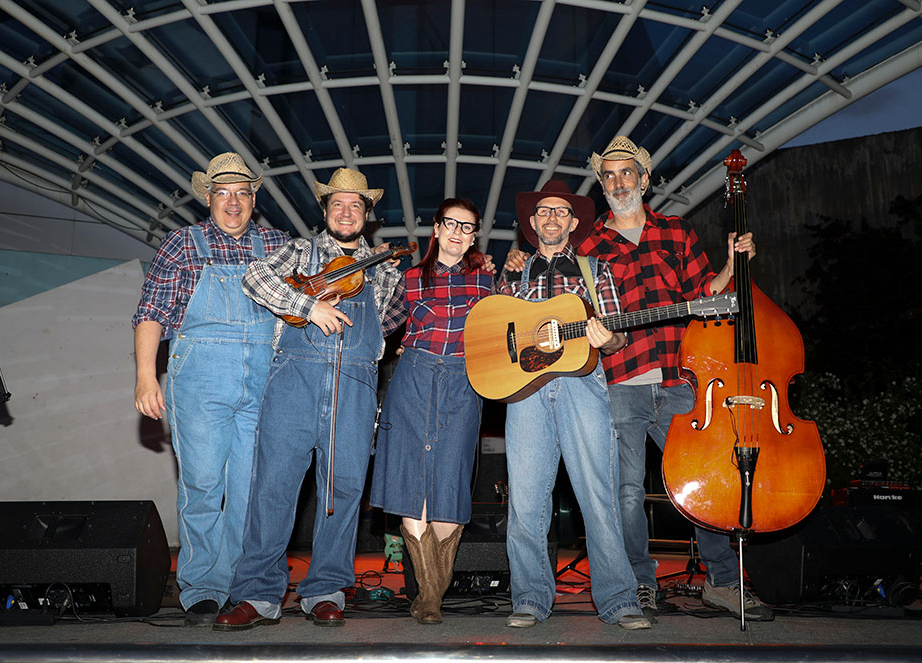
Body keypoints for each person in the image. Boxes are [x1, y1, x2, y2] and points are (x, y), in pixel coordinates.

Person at [577, 135, 766, 621]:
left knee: (705, 478)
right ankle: (638, 582)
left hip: (681, 380)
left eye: (627, 173)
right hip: (621, 380)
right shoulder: (589, 247)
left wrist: (732, 264)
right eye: (609, 175)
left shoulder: (677, 231)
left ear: (644, 179)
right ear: (602, 185)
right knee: (626, 491)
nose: (619, 182)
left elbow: (705, 294)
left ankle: (722, 582)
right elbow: (581, 315)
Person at [214, 167, 405, 631]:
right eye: (337, 204)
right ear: (324, 210)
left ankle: (325, 589)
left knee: (342, 492)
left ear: (367, 215)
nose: (346, 211)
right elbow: (254, 278)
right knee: (273, 488)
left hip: (356, 386)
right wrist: (308, 306)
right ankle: (257, 594)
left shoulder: (383, 269)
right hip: (294, 380)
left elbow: (389, 325)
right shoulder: (300, 251)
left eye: (355, 205)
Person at [132, 152, 287, 626]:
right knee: (202, 485)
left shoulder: (279, 245)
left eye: (242, 193)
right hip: (199, 375)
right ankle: (201, 586)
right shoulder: (183, 243)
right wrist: (144, 376)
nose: (233, 202)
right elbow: (152, 312)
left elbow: (318, 289)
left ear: (254, 199)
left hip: (264, 378)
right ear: (208, 198)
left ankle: (240, 582)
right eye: (223, 193)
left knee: (249, 490)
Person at [495, 180, 649, 630]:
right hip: (525, 391)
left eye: (561, 212)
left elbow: (619, 335)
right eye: (544, 211)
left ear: (573, 222)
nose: (552, 218)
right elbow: (493, 330)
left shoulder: (595, 270)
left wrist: (610, 337)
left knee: (599, 496)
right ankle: (528, 598)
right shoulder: (513, 274)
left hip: (583, 385)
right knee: (524, 501)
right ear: (532, 222)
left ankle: (619, 601)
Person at [369, 198, 493, 625]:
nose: (459, 232)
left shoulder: (487, 282)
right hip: (413, 378)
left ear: (475, 235)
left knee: (449, 481)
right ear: (436, 228)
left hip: (463, 382)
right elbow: (380, 327)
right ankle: (429, 596)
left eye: (468, 227)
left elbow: (506, 329)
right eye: (451, 224)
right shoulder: (409, 279)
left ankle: (431, 592)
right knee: (409, 481)